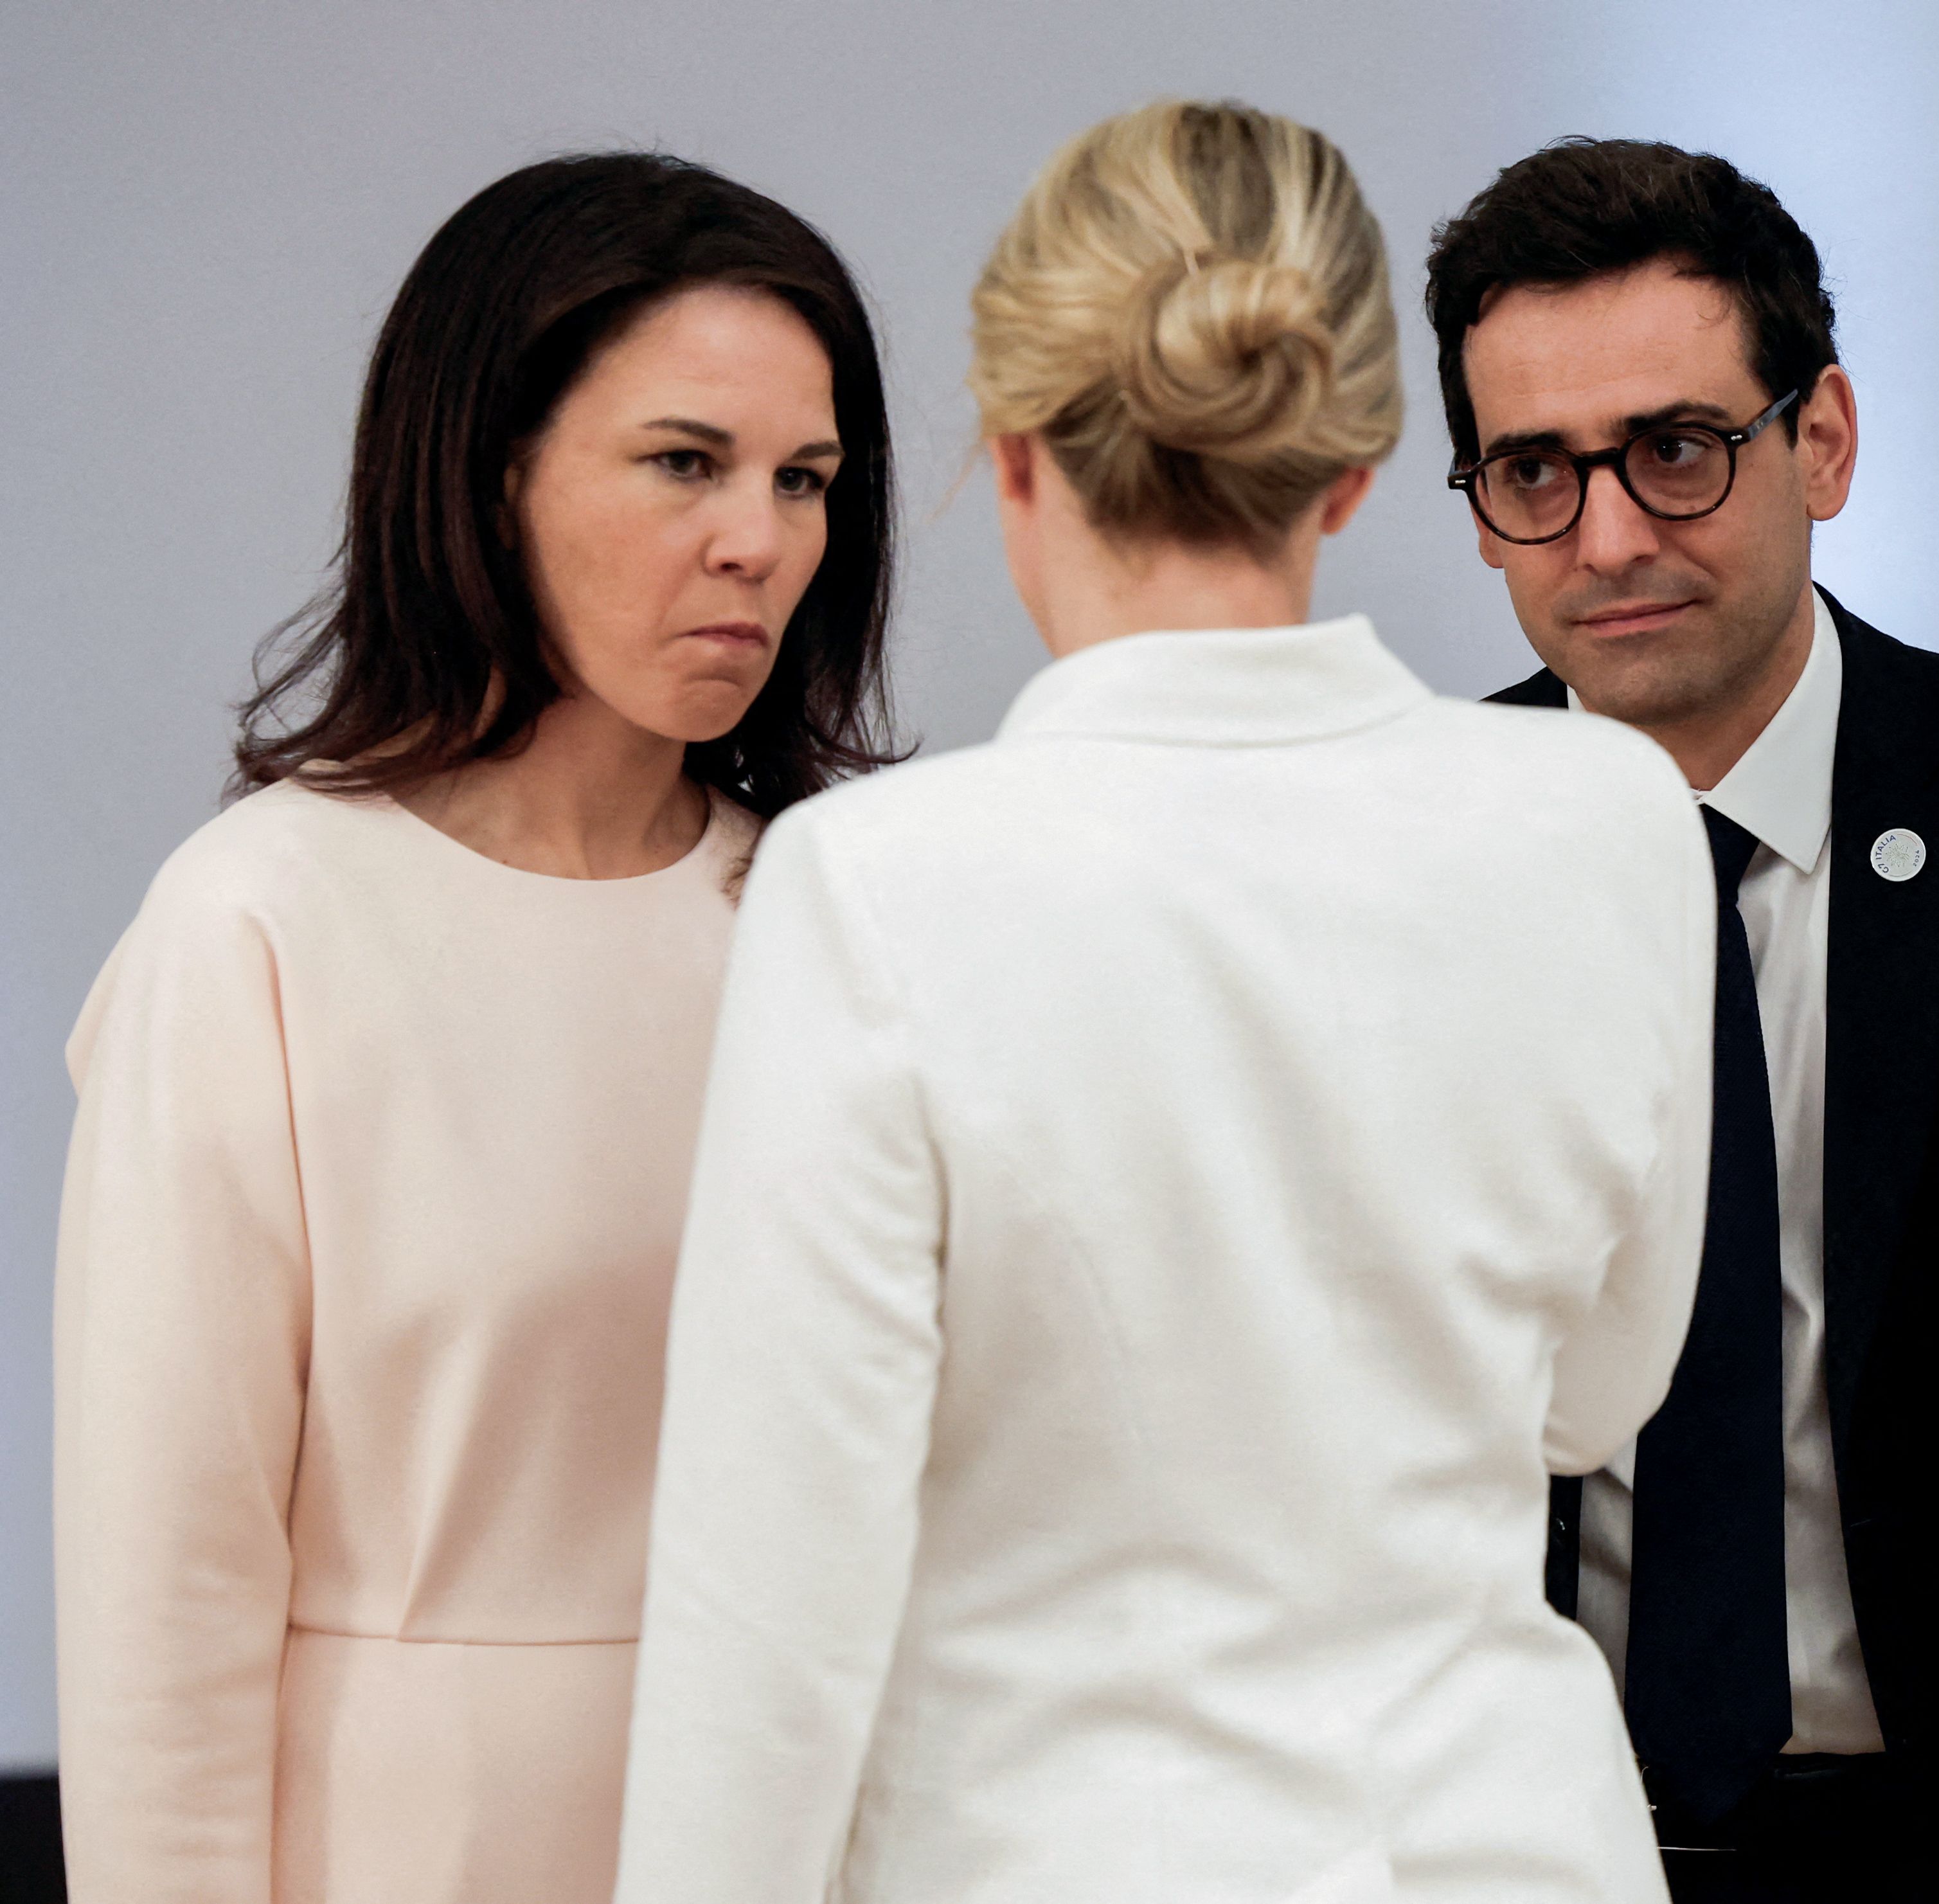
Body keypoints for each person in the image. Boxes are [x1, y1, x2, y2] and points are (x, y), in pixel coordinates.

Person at [609, 100, 1714, 1904]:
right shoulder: (1608, 814)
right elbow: (1593, 1395)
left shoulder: (879, 884)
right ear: (1353, 470)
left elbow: (774, 1599)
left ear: (1014, 453)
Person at [52, 153, 898, 1903]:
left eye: (803, 477)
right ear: (488, 474)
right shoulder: (259, 922)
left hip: (813, 1836)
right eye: (684, 461)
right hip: (401, 1852)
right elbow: (163, 1605)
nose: (759, 536)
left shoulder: (843, 917)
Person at [1424, 139, 1939, 1900]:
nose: (1608, 536)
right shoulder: (1386, 862)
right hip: (1516, 1840)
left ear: (1822, 441)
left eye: (1673, 449)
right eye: (1529, 473)